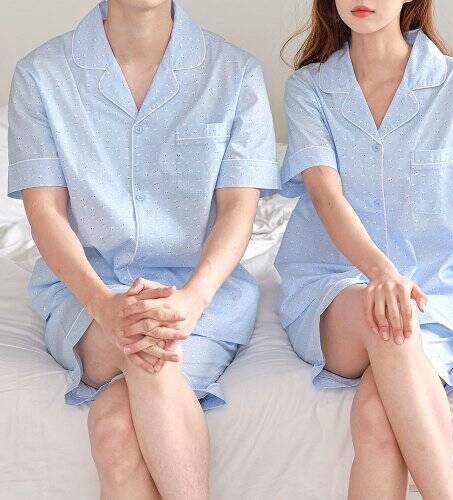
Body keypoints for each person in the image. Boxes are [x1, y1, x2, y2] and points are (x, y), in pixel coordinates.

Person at [7, 0, 279, 498]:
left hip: (203, 297)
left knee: (115, 427)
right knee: (147, 345)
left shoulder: (234, 72)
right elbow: (44, 213)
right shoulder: (41, 75)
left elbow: (238, 211)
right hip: (86, 295)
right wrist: (104, 305)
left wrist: (191, 300)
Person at [275, 0, 453, 498]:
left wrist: (395, 283)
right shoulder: (309, 89)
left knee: (378, 414)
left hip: (435, 296)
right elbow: (325, 196)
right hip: (332, 291)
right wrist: (382, 273)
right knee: (389, 318)